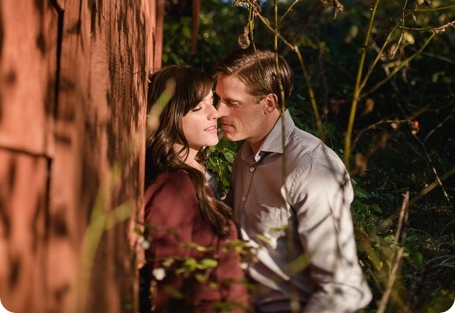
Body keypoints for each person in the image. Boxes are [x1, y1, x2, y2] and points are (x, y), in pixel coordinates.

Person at [215, 48, 372, 313]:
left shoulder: (311, 168)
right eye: (218, 99)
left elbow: (342, 289)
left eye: (231, 103)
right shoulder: (245, 156)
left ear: (268, 103)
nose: (219, 112)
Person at [144, 65, 251, 312]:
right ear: (172, 116)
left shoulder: (197, 180)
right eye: (198, 108)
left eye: (211, 102)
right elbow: (171, 293)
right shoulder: (173, 188)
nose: (214, 113)